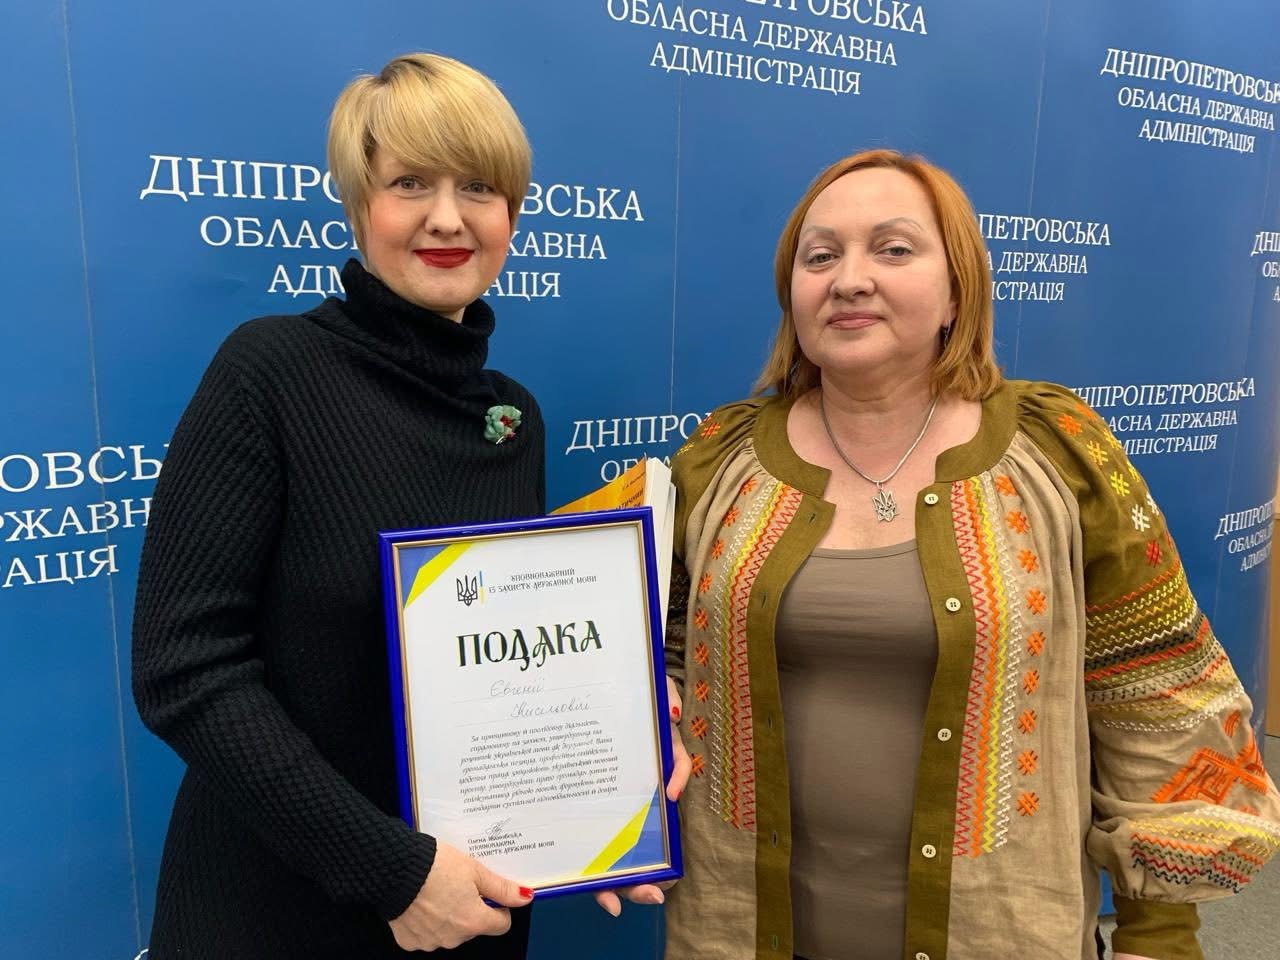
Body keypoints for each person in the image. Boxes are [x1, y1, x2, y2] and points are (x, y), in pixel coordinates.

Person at [660, 148, 1280, 960]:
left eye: (893, 249)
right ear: (792, 294)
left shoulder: (1058, 454)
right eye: (820, 257)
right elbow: (666, 657)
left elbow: (1156, 694)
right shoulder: (718, 463)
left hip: (1003, 936)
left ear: (958, 290)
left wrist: (1157, 934)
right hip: (741, 935)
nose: (849, 280)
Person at [133, 53, 549, 958]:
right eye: (411, 183)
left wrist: (602, 805)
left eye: (479, 186)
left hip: (470, 908)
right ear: (361, 207)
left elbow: (516, 665)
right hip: (276, 909)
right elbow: (184, 669)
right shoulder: (269, 371)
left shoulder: (513, 419)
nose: (448, 217)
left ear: (512, 214)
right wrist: (392, 873)